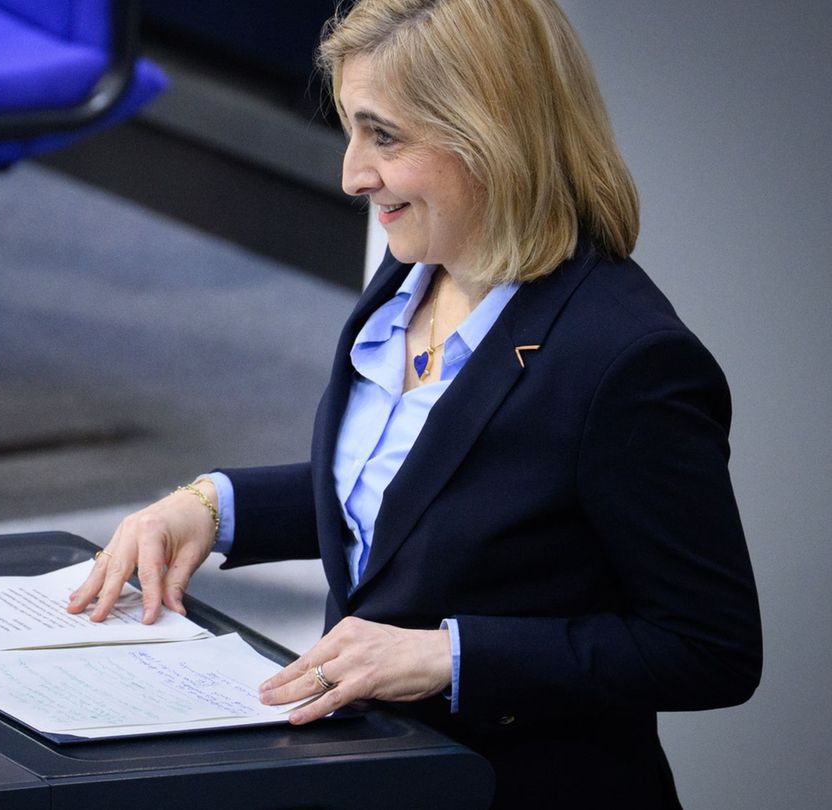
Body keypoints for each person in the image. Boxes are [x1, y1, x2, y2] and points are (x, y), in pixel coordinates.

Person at [66, 0, 762, 807]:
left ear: (489, 135)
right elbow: (412, 498)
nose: (352, 175)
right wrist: (214, 508)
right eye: (352, 130)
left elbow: (709, 648)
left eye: (383, 136)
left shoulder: (629, 361)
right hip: (381, 771)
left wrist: (447, 656)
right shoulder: (415, 269)